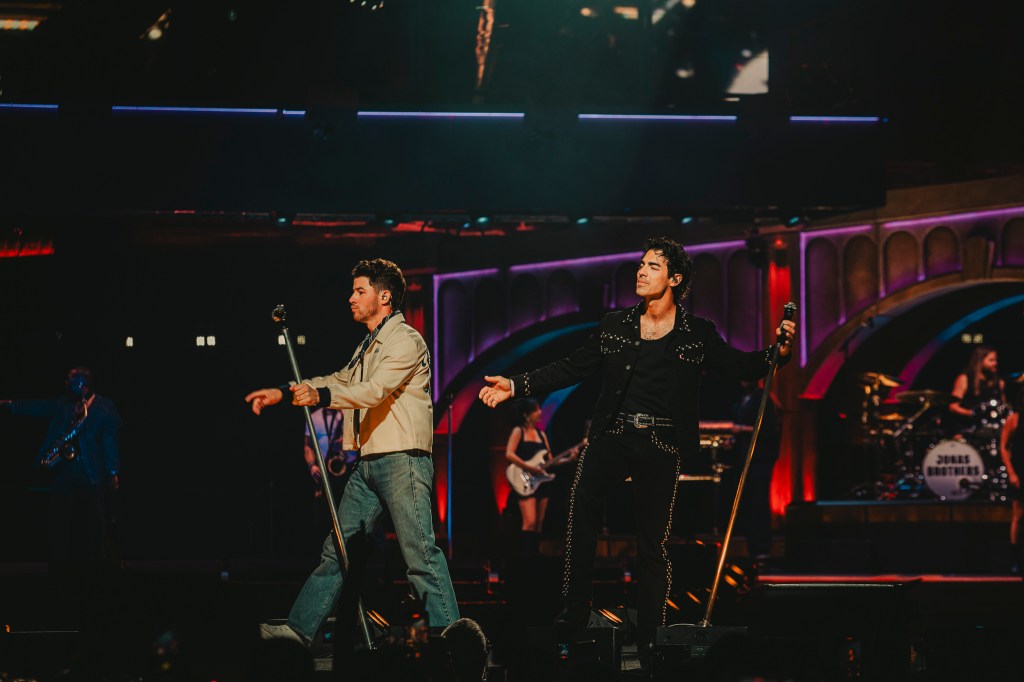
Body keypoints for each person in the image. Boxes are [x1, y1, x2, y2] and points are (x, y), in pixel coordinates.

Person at [478, 237, 795, 664]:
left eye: (652, 266)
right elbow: (571, 366)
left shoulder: (697, 333)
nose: (641, 271)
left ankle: (651, 633)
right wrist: (516, 385)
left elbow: (742, 365)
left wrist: (779, 352)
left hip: (661, 441)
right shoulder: (615, 326)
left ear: (674, 279)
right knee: (582, 503)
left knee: (652, 541)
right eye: (640, 264)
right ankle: (575, 608)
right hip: (612, 434)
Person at [245, 258, 459, 650]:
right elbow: (340, 380)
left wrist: (321, 396)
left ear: (384, 296)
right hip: (369, 463)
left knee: (420, 556)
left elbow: (372, 391)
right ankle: (299, 631)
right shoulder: (368, 345)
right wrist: (284, 392)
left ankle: (453, 642)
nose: (351, 298)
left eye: (360, 290)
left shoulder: (405, 340)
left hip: (403, 460)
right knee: (338, 551)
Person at [2, 366, 121, 565]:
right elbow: (40, 407)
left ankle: (98, 564)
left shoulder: (104, 408)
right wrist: (12, 405)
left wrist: (113, 471)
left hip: (92, 475)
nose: (66, 384)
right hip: (65, 472)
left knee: (95, 523)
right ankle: (60, 564)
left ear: (83, 386)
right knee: (59, 520)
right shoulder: (64, 404)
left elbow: (110, 442)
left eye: (70, 381)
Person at [729, 378, 782, 569]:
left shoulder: (763, 398)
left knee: (758, 502)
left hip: (760, 457)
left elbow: (767, 429)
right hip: (746, 458)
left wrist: (740, 429)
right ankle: (754, 548)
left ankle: (761, 549)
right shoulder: (744, 398)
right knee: (748, 503)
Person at [505, 398, 555, 556]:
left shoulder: (542, 434)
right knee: (530, 522)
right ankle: (526, 559)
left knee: (539, 524)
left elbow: (550, 459)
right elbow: (509, 454)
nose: (540, 412)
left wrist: (569, 457)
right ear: (526, 415)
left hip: (542, 482)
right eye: (536, 410)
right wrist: (529, 468)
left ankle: (535, 559)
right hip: (526, 480)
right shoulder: (518, 431)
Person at [949, 346, 1006, 434]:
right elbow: (953, 406)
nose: (995, 363)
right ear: (980, 361)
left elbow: (1003, 407)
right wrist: (973, 413)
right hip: (967, 430)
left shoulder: (999, 382)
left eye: (996, 360)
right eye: (991, 360)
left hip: (991, 431)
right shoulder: (965, 378)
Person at [999, 396, 1023, 575]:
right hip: (1020, 470)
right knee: (1019, 516)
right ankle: (1016, 559)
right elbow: (1004, 447)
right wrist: (1011, 472)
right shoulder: (1014, 419)